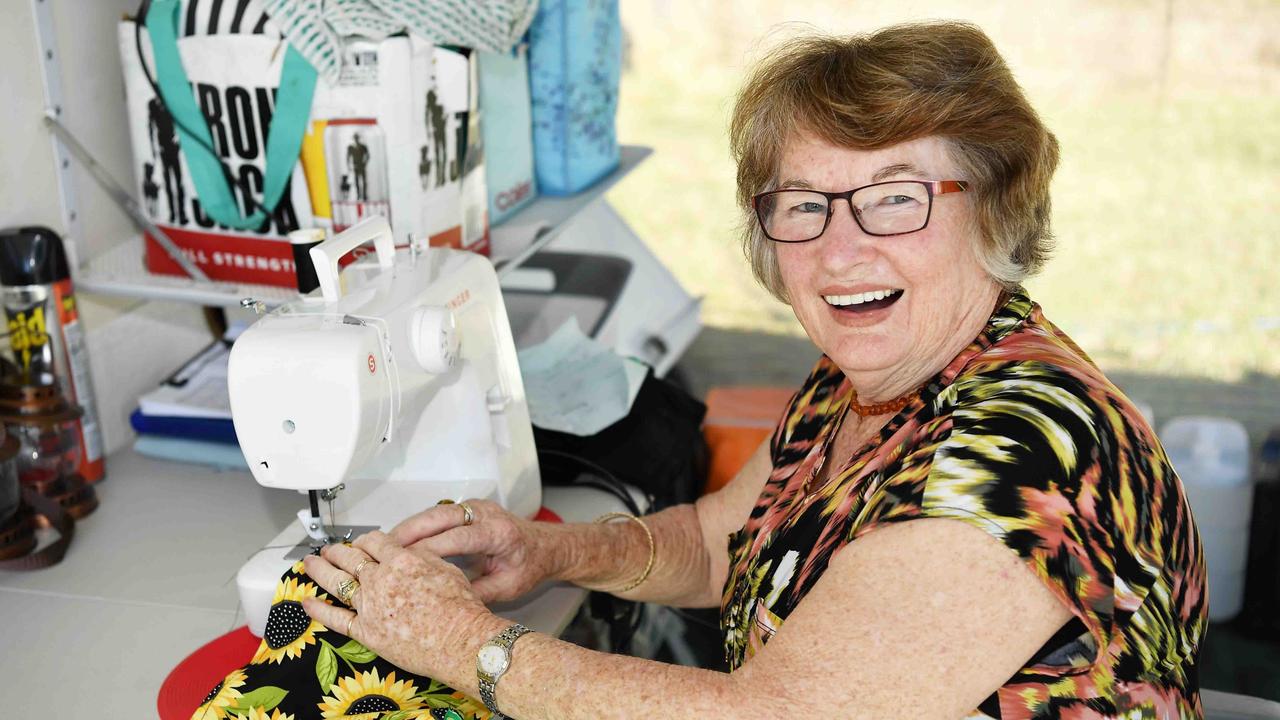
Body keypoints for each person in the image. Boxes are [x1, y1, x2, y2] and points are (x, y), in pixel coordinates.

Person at [211, 21, 1206, 719]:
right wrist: (550, 555)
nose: (838, 249)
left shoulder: (1019, 454)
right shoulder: (863, 382)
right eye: (801, 204)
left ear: (994, 210)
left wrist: (458, 645)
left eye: (895, 199)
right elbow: (726, 547)